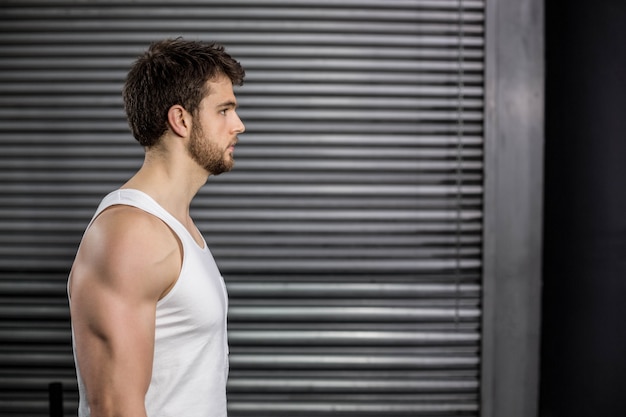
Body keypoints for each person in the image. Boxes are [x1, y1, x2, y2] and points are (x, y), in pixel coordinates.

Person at [67, 38, 246, 417]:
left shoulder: (173, 225)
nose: (239, 125)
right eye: (225, 110)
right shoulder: (131, 234)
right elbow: (115, 409)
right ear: (181, 119)